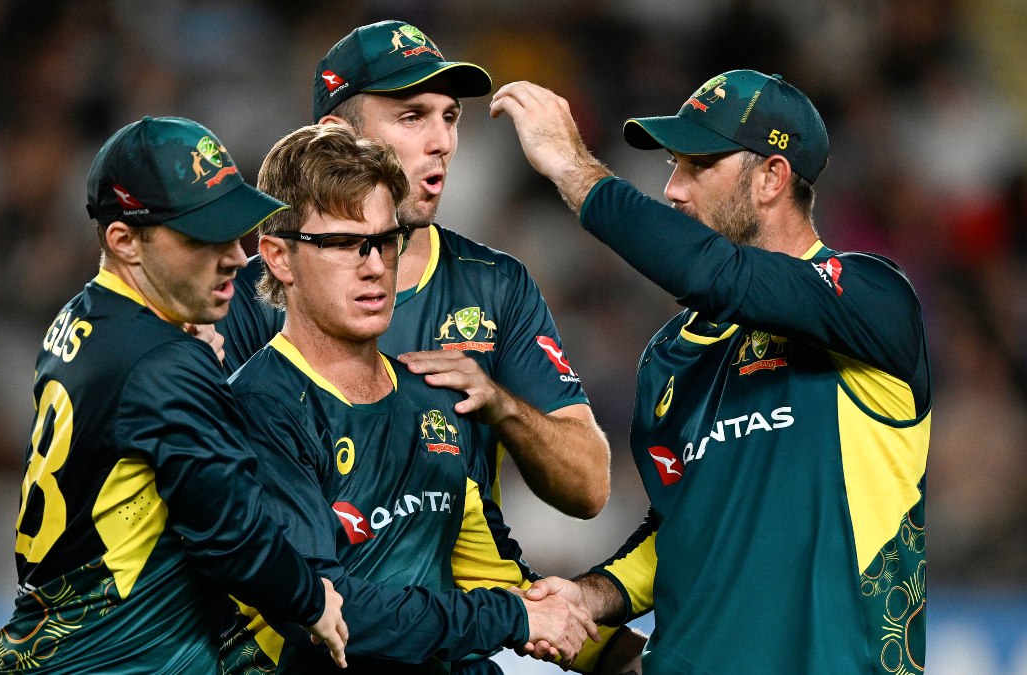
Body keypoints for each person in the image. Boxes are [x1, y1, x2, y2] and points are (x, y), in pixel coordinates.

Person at [491, 71, 932, 673]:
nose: (673, 189)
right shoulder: (672, 353)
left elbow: (715, 274)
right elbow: (678, 527)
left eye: (698, 165)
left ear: (772, 177)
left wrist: (572, 166)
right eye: (673, 164)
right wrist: (592, 595)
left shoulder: (870, 303)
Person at [217, 23, 612, 667]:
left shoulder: (493, 284)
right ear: (337, 138)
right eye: (411, 116)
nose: (442, 142)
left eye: (451, 118)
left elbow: (588, 489)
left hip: (463, 628)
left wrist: (502, 407)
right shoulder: (255, 299)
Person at [0, 116, 348, 673]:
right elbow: (232, 534)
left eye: (233, 230)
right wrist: (310, 600)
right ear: (125, 241)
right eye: (201, 237)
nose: (235, 254)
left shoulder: (80, 319)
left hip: (55, 646)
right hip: (119, 658)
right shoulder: (164, 362)